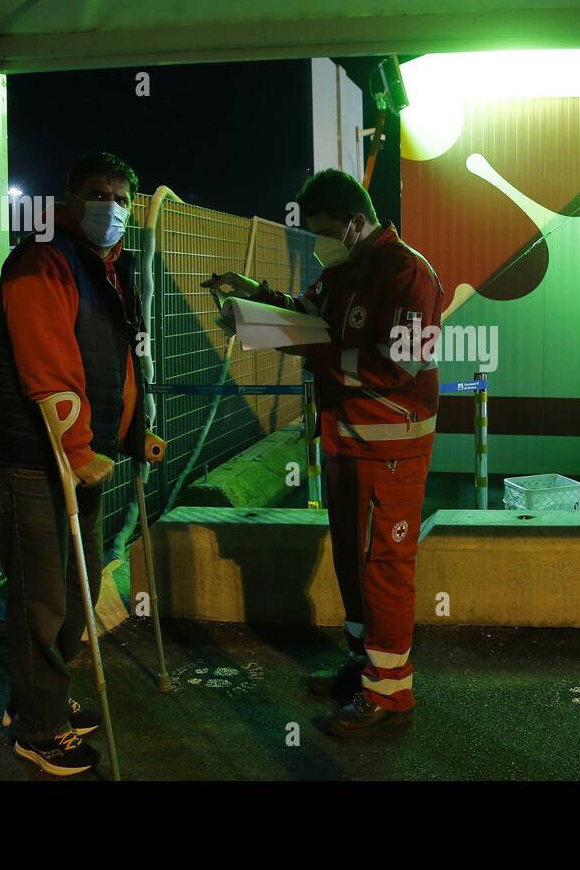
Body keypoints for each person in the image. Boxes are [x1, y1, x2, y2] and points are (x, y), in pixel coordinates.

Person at [214, 169, 443, 739]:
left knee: (383, 568)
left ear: (355, 223)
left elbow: (401, 365)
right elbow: (308, 314)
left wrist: (312, 351)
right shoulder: (345, 267)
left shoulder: (409, 272)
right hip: (346, 440)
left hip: (389, 450)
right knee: (351, 560)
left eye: (323, 230)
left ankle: (390, 695)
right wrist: (259, 302)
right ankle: (365, 662)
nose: (317, 242)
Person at [0, 152, 148, 776]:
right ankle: (40, 729)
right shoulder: (44, 259)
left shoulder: (107, 266)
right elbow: (47, 365)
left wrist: (133, 435)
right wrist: (77, 449)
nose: (114, 207)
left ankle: (39, 701)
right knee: (41, 604)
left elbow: (118, 364)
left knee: (79, 593)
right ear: (70, 198)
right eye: (100, 193)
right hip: (34, 460)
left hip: (83, 459)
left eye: (123, 196)